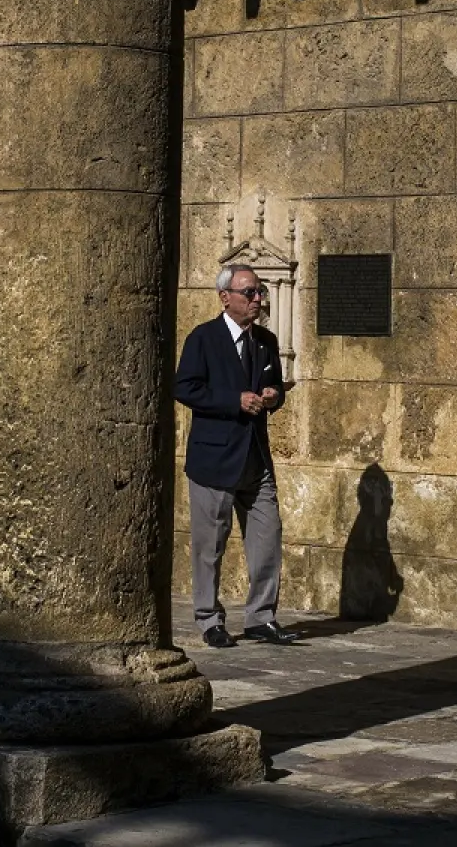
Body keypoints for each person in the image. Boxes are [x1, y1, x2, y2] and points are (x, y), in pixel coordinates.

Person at [175, 264, 299, 648]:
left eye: (259, 292)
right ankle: (209, 618)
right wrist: (234, 401)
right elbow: (185, 388)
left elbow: (273, 383)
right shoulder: (203, 338)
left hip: (255, 459)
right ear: (225, 297)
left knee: (267, 536)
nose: (257, 300)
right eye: (250, 293)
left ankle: (262, 617)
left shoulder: (265, 340)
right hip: (214, 461)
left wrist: (273, 396)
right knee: (209, 545)